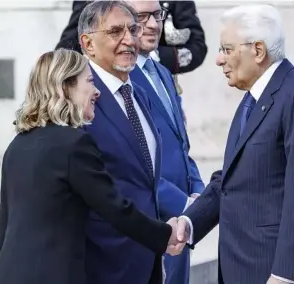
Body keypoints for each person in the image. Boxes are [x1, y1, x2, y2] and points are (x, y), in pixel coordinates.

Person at [0, 49, 184, 284]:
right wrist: (165, 235)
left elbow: (6, 225)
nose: (97, 92)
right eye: (90, 82)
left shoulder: (17, 145)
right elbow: (115, 208)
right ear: (66, 86)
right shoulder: (74, 144)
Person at [174, 5, 294, 284]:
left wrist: (286, 274)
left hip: (274, 271)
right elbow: (231, 178)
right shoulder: (251, 99)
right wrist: (189, 222)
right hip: (241, 267)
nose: (219, 60)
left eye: (226, 49)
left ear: (258, 51)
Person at [76, 2, 176, 283]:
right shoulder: (77, 99)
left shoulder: (138, 94)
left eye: (133, 29)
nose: (130, 39)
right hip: (102, 262)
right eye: (116, 31)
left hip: (149, 259)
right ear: (88, 43)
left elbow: (144, 179)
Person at [126, 1, 204, 283]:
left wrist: (198, 192)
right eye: (141, 17)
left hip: (181, 221)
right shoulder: (121, 81)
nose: (153, 24)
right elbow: (130, 163)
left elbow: (181, 144)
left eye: (157, 15)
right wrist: (182, 202)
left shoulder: (161, 72)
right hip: (151, 218)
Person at [56, 0, 207, 76]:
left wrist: (147, 59)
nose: (153, 25)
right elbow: (69, 46)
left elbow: (196, 48)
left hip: (157, 83)